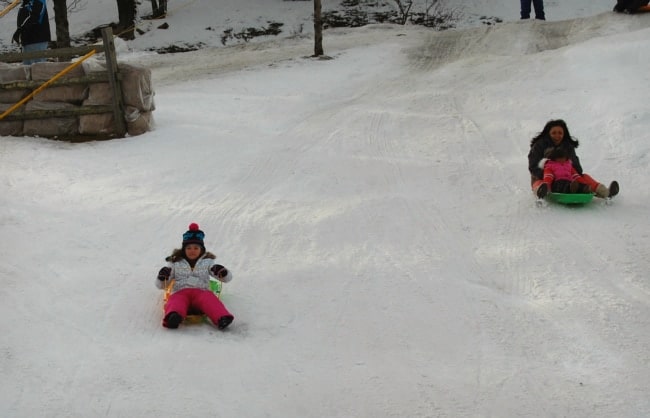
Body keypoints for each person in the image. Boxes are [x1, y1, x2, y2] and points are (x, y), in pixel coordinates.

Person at [155, 223, 234, 330]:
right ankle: (173, 317)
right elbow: (162, 286)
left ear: (201, 250)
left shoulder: (208, 262)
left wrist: (223, 272)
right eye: (189, 248)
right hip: (181, 291)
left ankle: (221, 317)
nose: (192, 251)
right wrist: (162, 277)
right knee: (175, 300)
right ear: (184, 249)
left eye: (196, 248)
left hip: (201, 291)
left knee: (210, 300)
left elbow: (226, 279)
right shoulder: (175, 263)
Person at [528, 119, 619, 199]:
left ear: (564, 134)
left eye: (560, 133)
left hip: (567, 177)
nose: (557, 136)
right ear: (548, 133)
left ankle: (606, 192)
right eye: (554, 133)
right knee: (539, 182)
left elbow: (576, 165)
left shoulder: (567, 146)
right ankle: (541, 192)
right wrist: (552, 175)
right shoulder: (539, 145)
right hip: (545, 177)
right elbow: (533, 167)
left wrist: (568, 173)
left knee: (585, 176)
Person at [12, 0, 51, 65]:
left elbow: (35, 17)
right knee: (27, 69)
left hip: (37, 40)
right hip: (27, 41)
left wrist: (19, 30)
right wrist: (20, 32)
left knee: (38, 68)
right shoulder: (26, 2)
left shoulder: (38, 1)